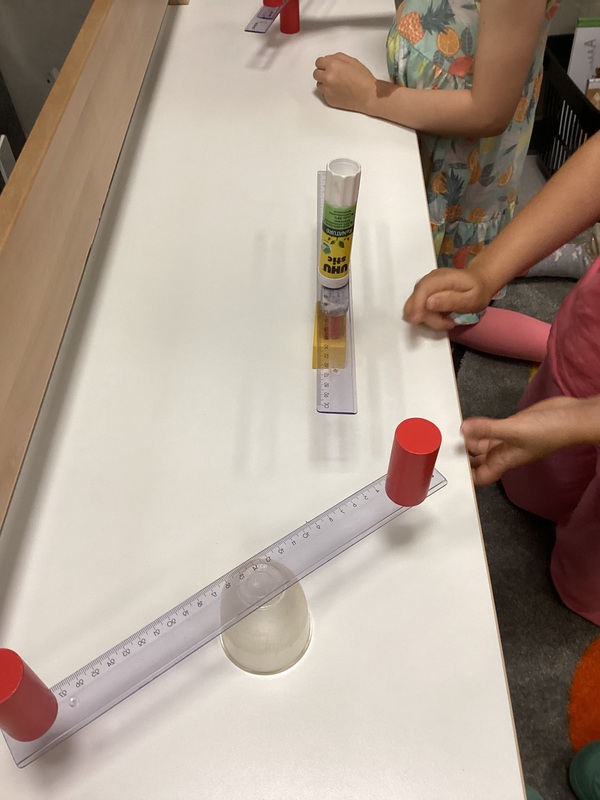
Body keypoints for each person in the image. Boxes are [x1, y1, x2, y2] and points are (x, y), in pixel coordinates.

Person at [403, 130, 600, 626]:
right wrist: (486, 272)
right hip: (589, 350)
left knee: (586, 572)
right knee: (538, 477)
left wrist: (580, 422)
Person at [313, 0, 563, 362]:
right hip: (417, 132)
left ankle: (565, 351)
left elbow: (488, 113)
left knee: (442, 305)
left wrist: (370, 96)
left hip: (460, 168)